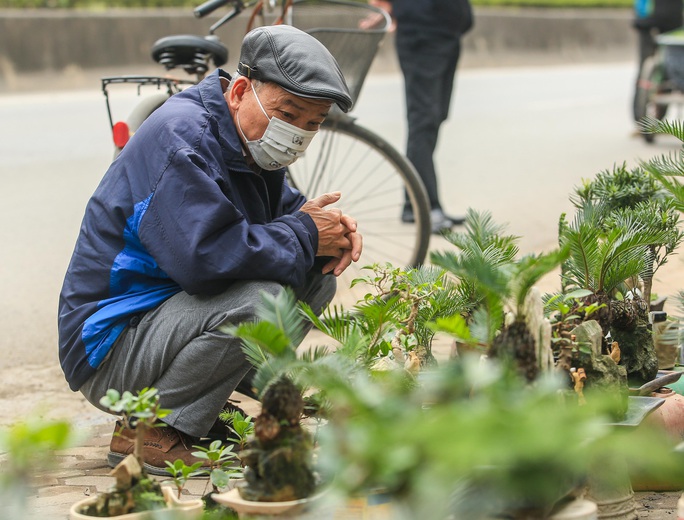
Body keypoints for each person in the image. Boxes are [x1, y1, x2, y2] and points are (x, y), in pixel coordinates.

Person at [58, 24, 362, 475]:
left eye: (312, 124)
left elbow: (288, 213)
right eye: (288, 114)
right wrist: (305, 234)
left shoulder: (250, 142)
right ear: (240, 91)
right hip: (111, 348)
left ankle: (202, 402)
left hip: (166, 322)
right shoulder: (184, 140)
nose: (296, 133)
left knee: (316, 276)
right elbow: (206, 261)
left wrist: (329, 231)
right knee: (262, 302)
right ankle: (150, 430)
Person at [367, 0, 473, 234]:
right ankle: (427, 206)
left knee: (435, 119)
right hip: (422, 33)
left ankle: (412, 204)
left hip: (447, 32)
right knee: (423, 122)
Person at [632, 0, 683, 120]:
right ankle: (652, 118)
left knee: (648, 67)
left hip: (650, 19)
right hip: (671, 18)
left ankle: (643, 119)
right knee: (667, 66)